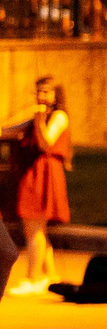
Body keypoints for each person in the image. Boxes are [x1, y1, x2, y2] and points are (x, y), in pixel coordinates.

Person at [8, 77, 71, 295]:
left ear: (56, 95)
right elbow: (8, 130)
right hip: (33, 173)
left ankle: (32, 278)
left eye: (46, 91)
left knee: (34, 226)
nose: (40, 96)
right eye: (38, 91)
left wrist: (39, 120)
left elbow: (46, 143)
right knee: (36, 227)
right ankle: (50, 275)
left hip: (45, 174)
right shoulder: (37, 117)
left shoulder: (59, 117)